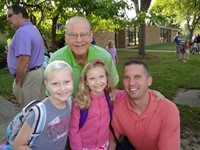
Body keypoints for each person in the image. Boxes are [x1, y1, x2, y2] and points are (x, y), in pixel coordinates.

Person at [108, 60, 180, 150]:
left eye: (137, 77)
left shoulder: (168, 110)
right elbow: (111, 139)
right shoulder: (118, 107)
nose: (131, 83)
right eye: (126, 77)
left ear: (149, 81)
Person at [49, 16, 119, 96]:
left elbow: (113, 86)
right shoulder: (56, 60)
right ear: (66, 37)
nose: (79, 40)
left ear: (91, 35)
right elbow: (51, 95)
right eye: (73, 35)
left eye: (84, 34)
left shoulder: (104, 57)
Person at [13, 60, 73, 150]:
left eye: (67, 82)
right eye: (55, 84)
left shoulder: (69, 102)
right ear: (46, 85)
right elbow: (18, 146)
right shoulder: (38, 114)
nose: (62, 88)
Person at [69, 60, 121, 149]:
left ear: (107, 77)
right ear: (86, 82)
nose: (98, 82)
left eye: (101, 76)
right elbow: (73, 131)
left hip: (104, 144)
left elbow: (129, 93)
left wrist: (151, 92)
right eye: (92, 78)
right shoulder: (80, 102)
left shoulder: (111, 95)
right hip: (84, 146)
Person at [6, 4, 45, 107]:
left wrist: (18, 83)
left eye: (10, 15)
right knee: (39, 110)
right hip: (37, 73)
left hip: (29, 77)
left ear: (19, 15)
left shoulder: (22, 32)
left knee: (30, 113)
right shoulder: (32, 29)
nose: (7, 19)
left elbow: (24, 60)